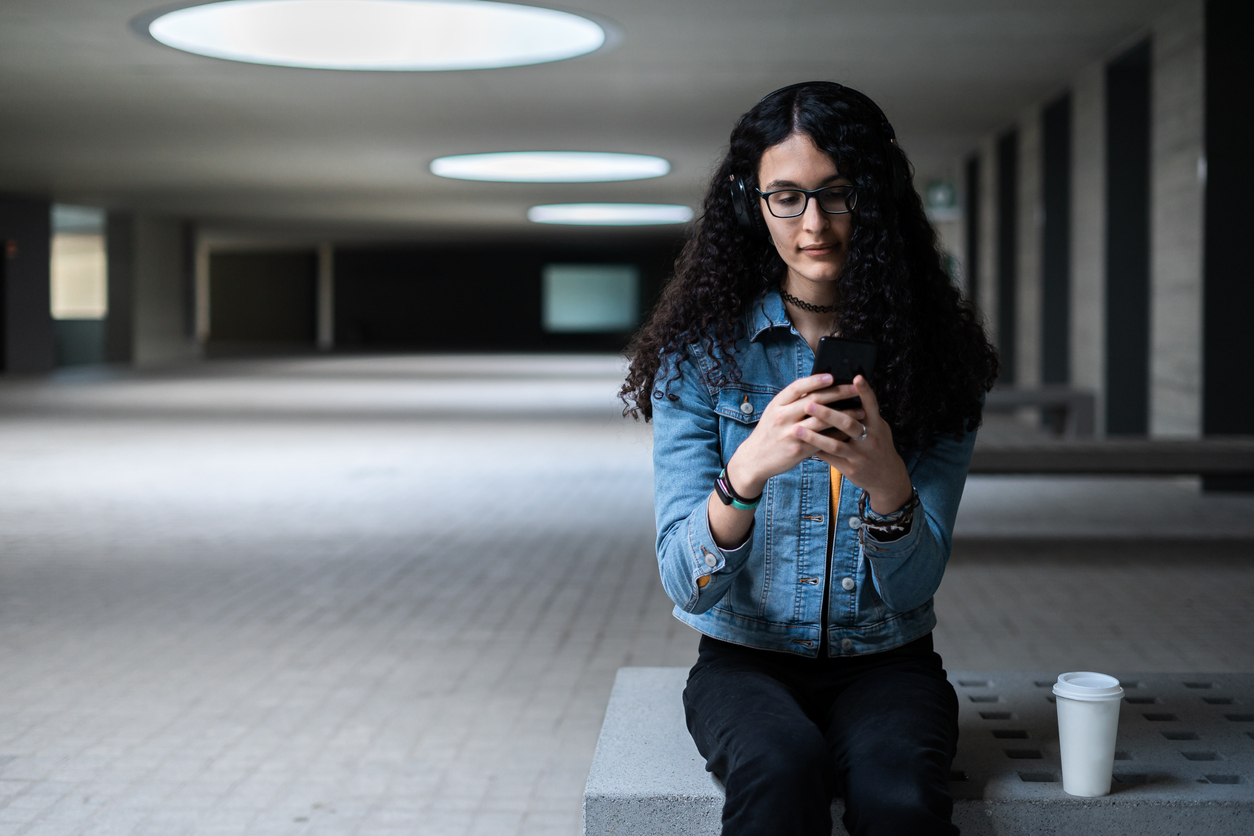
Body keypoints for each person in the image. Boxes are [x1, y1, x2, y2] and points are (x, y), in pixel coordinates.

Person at [620, 82, 999, 836]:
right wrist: (748, 470)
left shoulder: (940, 361)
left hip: (889, 659)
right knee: (780, 773)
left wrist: (887, 484)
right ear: (750, 203)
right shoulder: (699, 360)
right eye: (786, 197)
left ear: (878, 195)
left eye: (836, 194)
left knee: (900, 799)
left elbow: (916, 586)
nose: (814, 223)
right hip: (744, 661)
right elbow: (683, 583)